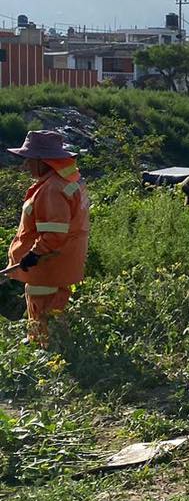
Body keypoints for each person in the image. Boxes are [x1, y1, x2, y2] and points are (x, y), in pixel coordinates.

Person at [5, 130, 89, 345]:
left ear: (44, 161)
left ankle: (44, 356)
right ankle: (59, 353)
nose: (26, 166)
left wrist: (34, 255)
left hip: (46, 267)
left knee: (43, 317)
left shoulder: (51, 189)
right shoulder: (65, 181)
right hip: (61, 264)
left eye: (30, 160)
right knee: (56, 313)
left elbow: (53, 234)